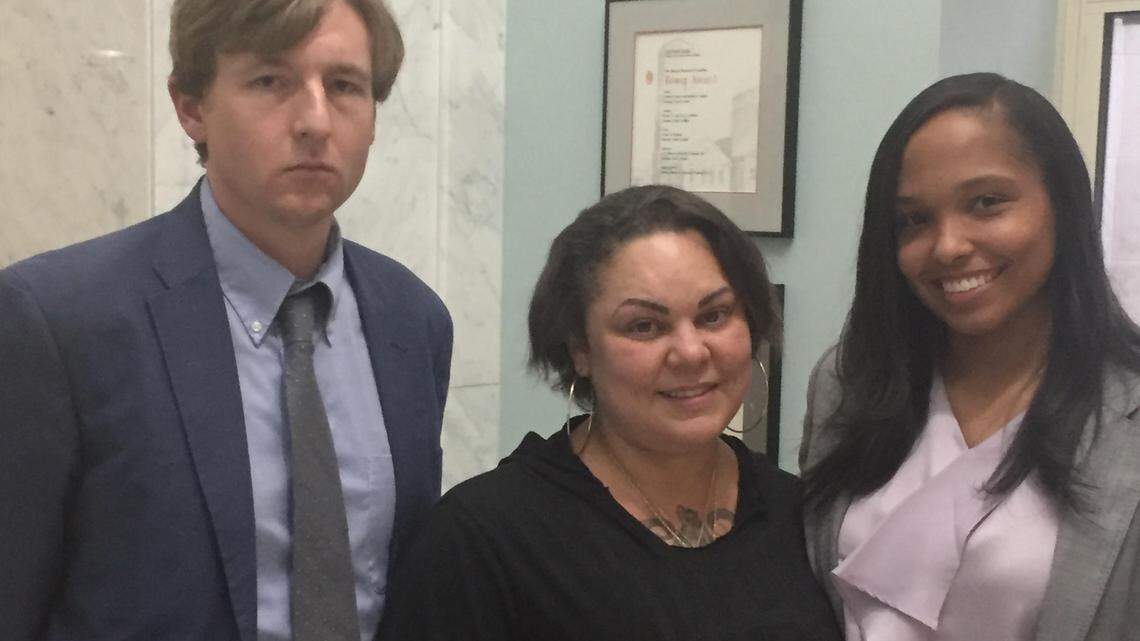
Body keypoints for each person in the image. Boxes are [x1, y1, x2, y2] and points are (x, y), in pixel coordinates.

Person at [0, 1, 452, 640]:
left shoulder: (413, 321)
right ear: (191, 108)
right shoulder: (57, 320)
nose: (315, 121)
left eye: (345, 85)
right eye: (271, 81)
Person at [379, 185, 841, 641]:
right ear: (580, 348)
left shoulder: (801, 517)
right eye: (644, 326)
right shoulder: (481, 541)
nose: (690, 352)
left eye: (714, 316)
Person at [799, 72, 1140, 641]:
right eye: (915, 219)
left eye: (986, 203)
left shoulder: (1125, 416)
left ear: (1063, 205)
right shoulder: (849, 381)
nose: (949, 246)